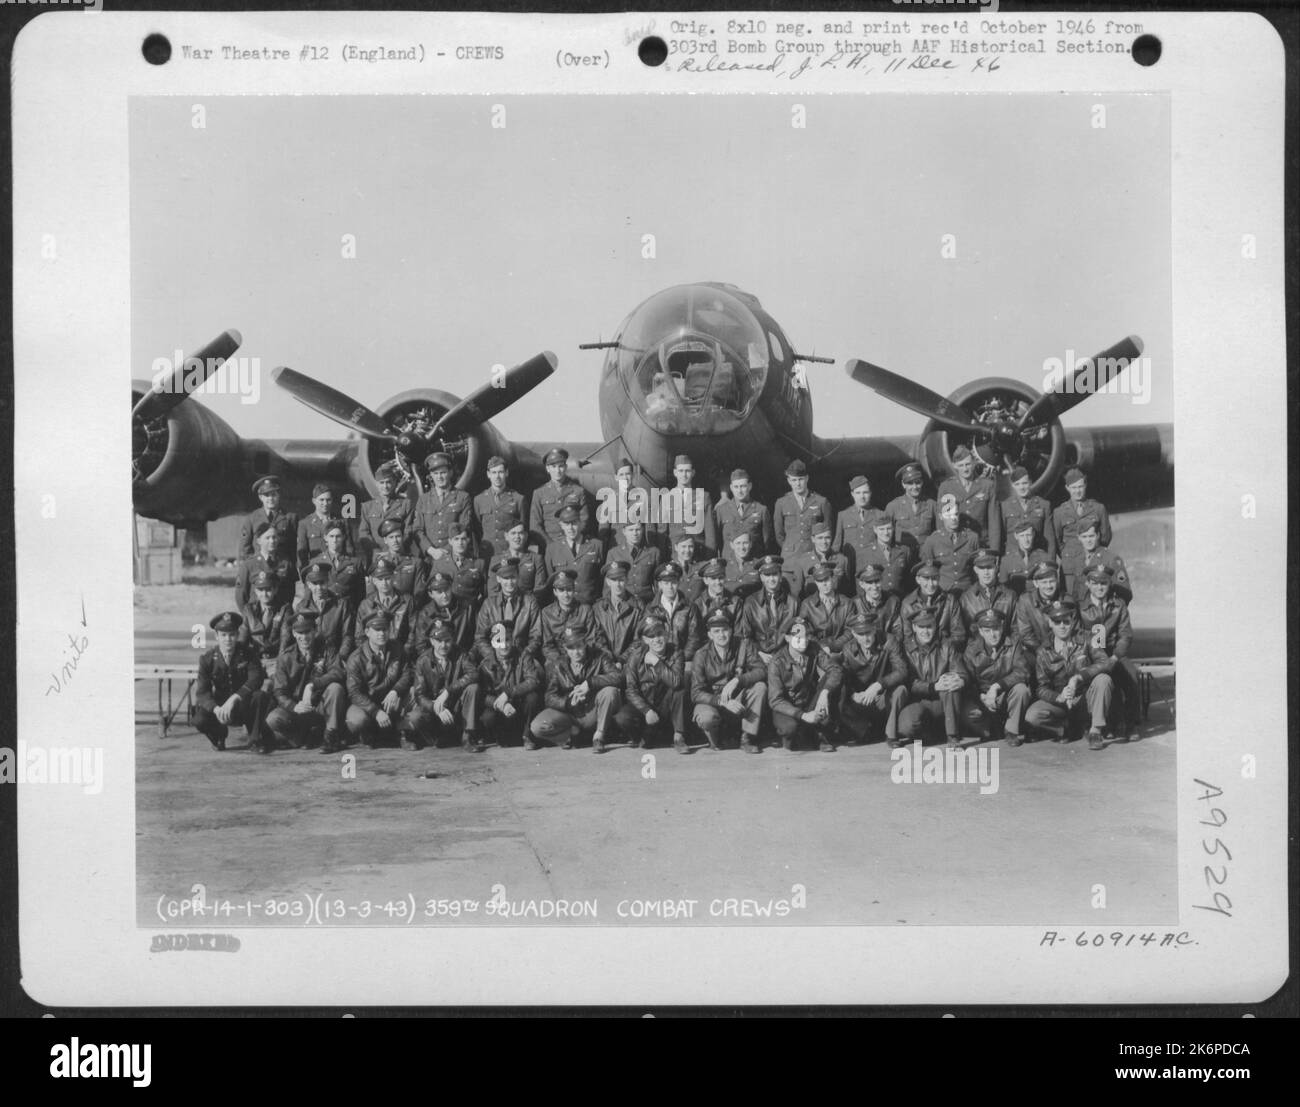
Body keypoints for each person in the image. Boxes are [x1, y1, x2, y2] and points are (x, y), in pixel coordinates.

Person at [1024, 599, 1115, 749]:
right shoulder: (1043, 651)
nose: (1062, 626)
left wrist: (1078, 677)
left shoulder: (1088, 638)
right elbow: (1041, 687)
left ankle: (1095, 731)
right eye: (1057, 621)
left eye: (1066, 621)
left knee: (1103, 679)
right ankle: (1066, 729)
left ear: (1072, 621)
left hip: (1085, 699)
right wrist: (1057, 697)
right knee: (1032, 716)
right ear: (1050, 623)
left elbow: (1104, 662)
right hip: (1061, 703)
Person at [264, 612, 348, 753]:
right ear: (294, 634)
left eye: (308, 631)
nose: (304, 637)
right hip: (297, 709)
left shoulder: (327, 650)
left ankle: (330, 736)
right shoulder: (285, 657)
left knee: (335, 688)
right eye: (299, 633)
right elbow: (279, 691)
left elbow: (338, 672)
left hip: (321, 707)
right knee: (273, 719)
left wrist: (313, 685)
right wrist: (294, 706)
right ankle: (305, 736)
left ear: (315, 631)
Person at [531, 626, 622, 752]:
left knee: (610, 691)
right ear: (565, 648)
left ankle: (599, 736)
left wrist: (590, 683)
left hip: (593, 711)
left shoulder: (600, 657)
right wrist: (568, 703)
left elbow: (618, 676)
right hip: (570, 714)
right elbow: (549, 697)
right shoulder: (558, 664)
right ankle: (572, 735)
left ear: (585, 643)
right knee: (537, 727)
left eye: (579, 646)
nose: (576, 652)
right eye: (571, 648)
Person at [690, 610, 767, 753]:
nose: (721, 635)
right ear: (709, 635)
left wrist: (738, 680)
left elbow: (761, 670)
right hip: (713, 702)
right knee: (706, 718)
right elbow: (696, 693)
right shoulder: (701, 655)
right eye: (716, 631)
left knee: (760, 687)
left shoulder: (743, 646)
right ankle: (714, 739)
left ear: (731, 630)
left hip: (737, 700)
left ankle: (747, 737)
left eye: (725, 630)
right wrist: (722, 701)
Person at [1079, 565, 1141, 737]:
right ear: (1088, 584)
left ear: (1109, 584)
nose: (1100, 587)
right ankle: (1094, 722)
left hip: (1114, 653)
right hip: (1090, 656)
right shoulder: (1080, 607)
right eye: (1095, 583)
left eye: (1104, 583)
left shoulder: (1119, 606)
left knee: (1131, 675)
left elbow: (1125, 635)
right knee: (1096, 680)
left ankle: (1131, 723)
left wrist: (1115, 656)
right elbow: (1076, 634)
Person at [404, 618, 482, 751]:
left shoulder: (460, 654)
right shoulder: (423, 661)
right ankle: (422, 737)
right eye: (439, 641)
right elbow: (419, 695)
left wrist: (449, 690)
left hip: (455, 707)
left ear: (453, 640)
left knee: (473, 688)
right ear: (432, 641)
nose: (443, 645)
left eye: (447, 641)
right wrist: (435, 707)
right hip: (433, 710)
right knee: (414, 718)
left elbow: (474, 674)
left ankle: (467, 737)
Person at [193, 611, 266, 752]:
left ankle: (254, 739)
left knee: (260, 696)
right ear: (216, 636)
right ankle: (218, 737)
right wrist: (216, 709)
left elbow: (256, 678)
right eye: (223, 635)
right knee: (199, 720)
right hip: (220, 707)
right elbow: (202, 692)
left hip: (241, 705)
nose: (228, 639)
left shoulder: (248, 653)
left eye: (232, 635)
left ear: (238, 635)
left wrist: (235, 698)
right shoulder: (207, 659)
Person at [767, 617, 842, 752]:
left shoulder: (814, 648)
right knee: (790, 730)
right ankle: (799, 734)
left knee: (832, 682)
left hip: (808, 701)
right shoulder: (776, 662)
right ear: (788, 638)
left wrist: (825, 693)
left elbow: (835, 669)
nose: (805, 640)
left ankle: (820, 734)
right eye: (799, 636)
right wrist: (803, 715)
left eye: (807, 635)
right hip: (788, 707)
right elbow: (775, 700)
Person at [896, 609, 967, 748]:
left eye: (929, 626)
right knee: (907, 726)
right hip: (917, 700)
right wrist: (933, 686)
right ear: (914, 628)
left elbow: (961, 671)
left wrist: (960, 680)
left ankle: (952, 736)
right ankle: (931, 733)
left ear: (935, 626)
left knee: (950, 683)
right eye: (921, 627)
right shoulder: (905, 648)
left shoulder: (947, 645)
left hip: (943, 700)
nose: (926, 631)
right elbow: (907, 681)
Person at [961, 609, 1032, 746]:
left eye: (996, 629)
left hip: (1004, 695)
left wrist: (996, 687)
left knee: (1021, 690)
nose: (993, 635)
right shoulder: (971, 650)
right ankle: (988, 730)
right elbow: (968, 681)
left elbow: (1022, 672)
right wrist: (982, 696)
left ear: (1001, 627)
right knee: (967, 711)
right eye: (987, 631)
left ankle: (1011, 731)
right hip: (982, 699)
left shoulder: (1013, 644)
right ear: (980, 632)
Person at [618, 618, 689, 754]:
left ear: (666, 634)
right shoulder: (636, 656)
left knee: (679, 689)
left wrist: (656, 662)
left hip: (666, 706)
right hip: (646, 704)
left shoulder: (676, 653)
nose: (656, 639)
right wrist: (646, 710)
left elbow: (676, 682)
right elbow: (631, 690)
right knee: (623, 717)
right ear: (644, 639)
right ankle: (642, 736)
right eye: (651, 636)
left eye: (659, 634)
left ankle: (678, 737)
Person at [837, 611, 908, 747]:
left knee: (901, 690)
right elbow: (845, 678)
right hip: (861, 700)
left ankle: (891, 735)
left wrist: (878, 685)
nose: (866, 639)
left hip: (883, 697)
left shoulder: (889, 641)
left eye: (868, 633)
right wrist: (853, 694)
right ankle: (862, 732)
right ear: (853, 634)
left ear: (875, 629)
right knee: (839, 693)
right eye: (861, 634)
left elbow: (902, 670)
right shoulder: (848, 649)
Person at [345, 612, 414, 748]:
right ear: (367, 632)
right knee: (356, 720)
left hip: (392, 700)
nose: (382, 633)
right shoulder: (356, 658)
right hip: (368, 703)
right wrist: (375, 711)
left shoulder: (398, 649)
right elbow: (354, 693)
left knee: (412, 692)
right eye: (377, 630)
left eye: (385, 629)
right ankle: (368, 734)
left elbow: (407, 674)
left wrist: (395, 690)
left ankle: (403, 734)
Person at [475, 621, 545, 748]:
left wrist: (509, 693)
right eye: (499, 641)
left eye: (507, 640)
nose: (503, 645)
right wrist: (501, 705)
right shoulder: (485, 665)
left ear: (513, 640)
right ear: (492, 643)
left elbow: (533, 680)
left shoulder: (524, 656)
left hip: (519, 704)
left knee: (532, 698)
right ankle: (497, 737)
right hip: (500, 707)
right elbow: (483, 694)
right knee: (487, 717)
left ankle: (527, 736)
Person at [473, 558, 543, 661]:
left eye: (513, 577)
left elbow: (536, 636)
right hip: (495, 657)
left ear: (518, 577)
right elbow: (480, 637)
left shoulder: (530, 602)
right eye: (505, 578)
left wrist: (525, 656)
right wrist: (493, 656)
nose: (509, 582)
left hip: (522, 657)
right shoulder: (488, 604)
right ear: (498, 579)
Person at [414, 452, 475, 564]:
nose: (439, 477)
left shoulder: (462, 497)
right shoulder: (423, 499)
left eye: (443, 472)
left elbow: (464, 528)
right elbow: (418, 530)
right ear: (431, 475)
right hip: (429, 558)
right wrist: (431, 550)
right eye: (436, 473)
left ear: (450, 473)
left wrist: (446, 551)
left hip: (454, 557)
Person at [289, 563, 357, 662]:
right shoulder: (302, 607)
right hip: (310, 658)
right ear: (308, 585)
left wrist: (340, 657)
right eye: (314, 583)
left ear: (328, 582)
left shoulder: (341, 604)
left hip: (336, 656)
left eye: (322, 583)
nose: (319, 587)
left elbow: (348, 635)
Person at [937, 446, 1001, 551]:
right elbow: (941, 522)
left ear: (974, 463)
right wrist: (943, 548)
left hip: (981, 545)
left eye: (968, 464)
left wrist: (994, 551)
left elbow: (994, 522)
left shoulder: (987, 486)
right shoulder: (946, 487)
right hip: (957, 547)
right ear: (954, 466)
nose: (965, 469)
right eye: (961, 465)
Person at [655, 453, 719, 554]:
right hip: (675, 554)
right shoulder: (666, 498)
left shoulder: (704, 496)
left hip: (698, 552)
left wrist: (710, 555)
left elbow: (710, 531)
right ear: (675, 472)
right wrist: (663, 556)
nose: (684, 475)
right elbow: (662, 531)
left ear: (693, 472)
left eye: (687, 471)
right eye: (681, 471)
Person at [739, 555, 800, 661]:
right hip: (759, 657)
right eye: (767, 575)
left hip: (786, 657)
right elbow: (746, 636)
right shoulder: (751, 602)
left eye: (775, 574)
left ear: (780, 576)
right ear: (761, 577)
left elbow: (798, 631)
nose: (771, 579)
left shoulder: (793, 602)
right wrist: (759, 653)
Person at [531, 447, 592, 548]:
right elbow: (535, 525)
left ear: (566, 467)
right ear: (547, 469)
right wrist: (550, 546)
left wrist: (572, 541)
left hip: (573, 545)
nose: (557, 471)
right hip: (549, 547)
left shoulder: (578, 491)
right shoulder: (539, 493)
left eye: (561, 466)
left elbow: (584, 521)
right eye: (553, 466)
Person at [544, 504, 605, 605]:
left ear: (580, 523)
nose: (570, 528)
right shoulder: (552, 549)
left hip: (590, 606)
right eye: (566, 524)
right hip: (564, 608)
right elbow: (550, 583)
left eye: (574, 523)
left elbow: (602, 580)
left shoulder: (596, 545)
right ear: (561, 525)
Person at [920, 493, 980, 595]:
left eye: (956, 514)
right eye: (948, 515)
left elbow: (977, 568)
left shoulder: (972, 538)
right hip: (944, 593)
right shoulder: (932, 540)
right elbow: (927, 571)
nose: (953, 518)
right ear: (940, 516)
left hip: (968, 592)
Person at [1064, 515, 1133, 604]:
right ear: (1079, 538)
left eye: (1091, 536)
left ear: (1098, 535)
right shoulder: (1078, 559)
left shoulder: (1111, 559)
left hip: (1105, 613)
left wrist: (1112, 612)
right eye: (1084, 537)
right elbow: (1076, 593)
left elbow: (1125, 593)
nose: (1088, 540)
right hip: (1084, 613)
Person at [538, 569, 600, 667]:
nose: (566, 595)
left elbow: (591, 640)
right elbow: (547, 646)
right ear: (555, 592)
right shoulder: (546, 614)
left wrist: (579, 659)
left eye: (569, 590)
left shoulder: (585, 610)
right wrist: (563, 663)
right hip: (558, 661)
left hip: (582, 657)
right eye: (561, 590)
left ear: (574, 590)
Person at [357, 462, 414, 569]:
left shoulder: (405, 504)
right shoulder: (367, 507)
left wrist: (393, 551)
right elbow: (363, 533)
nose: (385, 486)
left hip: (399, 557)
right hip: (376, 558)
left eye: (388, 482)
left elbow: (408, 530)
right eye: (381, 483)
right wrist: (375, 551)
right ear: (377, 484)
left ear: (395, 483)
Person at [773, 459, 833, 559]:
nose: (798, 484)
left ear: (807, 478)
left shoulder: (821, 502)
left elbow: (828, 530)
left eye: (800, 479)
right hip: (790, 557)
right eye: (794, 480)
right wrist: (789, 547)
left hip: (813, 556)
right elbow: (779, 534)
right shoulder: (781, 503)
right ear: (789, 481)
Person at [1052, 467, 1112, 566]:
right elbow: (1057, 540)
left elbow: (1106, 537)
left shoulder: (1098, 508)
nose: (1078, 491)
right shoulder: (1059, 512)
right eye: (1074, 488)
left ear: (1085, 485)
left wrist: (1095, 552)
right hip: (1070, 564)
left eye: (1080, 486)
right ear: (1067, 488)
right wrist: (1068, 554)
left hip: (1094, 562)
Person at [897, 560, 963, 649]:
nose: (931, 584)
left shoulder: (950, 601)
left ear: (939, 578)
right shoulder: (908, 603)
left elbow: (958, 634)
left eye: (934, 578)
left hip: (945, 652)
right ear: (918, 580)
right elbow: (907, 638)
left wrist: (941, 651)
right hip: (918, 656)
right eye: (926, 579)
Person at [473, 455, 528, 561]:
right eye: (493, 472)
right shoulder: (479, 500)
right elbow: (477, 530)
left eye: (500, 472)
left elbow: (524, 529)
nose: (497, 476)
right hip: (488, 554)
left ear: (506, 473)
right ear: (488, 474)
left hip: (510, 554)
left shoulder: (518, 499)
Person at [644, 562, 702, 663]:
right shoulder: (651, 609)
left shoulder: (690, 608)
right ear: (660, 585)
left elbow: (694, 639)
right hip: (658, 661)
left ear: (679, 583)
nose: (670, 587)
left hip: (684, 661)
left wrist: (679, 659)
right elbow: (645, 638)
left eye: (673, 582)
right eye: (666, 583)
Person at [354, 557, 413, 655]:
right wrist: (371, 655)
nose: (384, 583)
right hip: (375, 655)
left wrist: (403, 653)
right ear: (374, 581)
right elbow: (360, 637)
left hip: (402, 654)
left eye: (387, 578)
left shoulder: (407, 601)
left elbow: (413, 632)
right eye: (380, 579)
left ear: (393, 577)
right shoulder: (366, 605)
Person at [409, 571, 475, 658]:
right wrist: (435, 663)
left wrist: (468, 658)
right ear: (431, 594)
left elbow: (476, 638)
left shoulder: (466, 608)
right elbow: (421, 646)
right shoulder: (425, 614)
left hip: (462, 660)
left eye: (446, 590)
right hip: (436, 662)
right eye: (439, 592)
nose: (444, 595)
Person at [236, 521, 297, 613]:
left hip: (280, 614)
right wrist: (249, 618)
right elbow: (241, 596)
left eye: (274, 537)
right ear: (259, 541)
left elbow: (290, 592)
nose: (272, 541)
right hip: (256, 614)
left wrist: (285, 613)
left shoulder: (286, 562)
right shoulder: (248, 565)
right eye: (267, 538)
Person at [591, 561, 644, 664]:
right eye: (614, 580)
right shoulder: (598, 608)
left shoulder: (637, 607)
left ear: (627, 580)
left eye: (621, 580)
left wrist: (622, 660)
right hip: (604, 663)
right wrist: (609, 660)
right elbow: (597, 638)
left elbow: (639, 639)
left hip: (630, 663)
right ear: (607, 581)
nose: (618, 584)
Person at [998, 466, 1056, 559]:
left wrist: (1051, 562)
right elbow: (1001, 537)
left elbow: (1049, 539)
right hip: (1013, 559)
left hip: (1037, 558)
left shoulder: (1043, 505)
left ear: (1030, 482)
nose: (1021, 487)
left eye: (1024, 483)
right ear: (1013, 485)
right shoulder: (1005, 506)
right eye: (1017, 484)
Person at [1013, 560, 1067, 658]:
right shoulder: (1026, 601)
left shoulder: (1066, 600)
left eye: (1052, 581)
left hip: (1064, 651)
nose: (1049, 586)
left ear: (1057, 581)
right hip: (1037, 652)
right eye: (1044, 582)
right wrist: (1044, 653)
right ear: (1036, 583)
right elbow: (1025, 634)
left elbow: (1073, 630)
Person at [832, 475, 884, 577]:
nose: (862, 496)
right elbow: (837, 545)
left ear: (871, 493)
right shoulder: (843, 515)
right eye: (858, 493)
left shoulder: (880, 514)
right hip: (850, 567)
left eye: (865, 492)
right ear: (852, 494)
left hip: (872, 566)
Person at [958, 550, 1018, 638]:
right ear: (976, 570)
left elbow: (1016, 630)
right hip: (977, 649)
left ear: (996, 568)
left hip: (1005, 648)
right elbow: (964, 634)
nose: (986, 572)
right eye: (982, 568)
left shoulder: (1010, 596)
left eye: (990, 567)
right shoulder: (966, 598)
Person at [487, 512, 548, 599]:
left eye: (520, 533)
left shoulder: (536, 559)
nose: (517, 537)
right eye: (513, 533)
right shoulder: (497, 560)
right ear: (506, 536)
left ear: (526, 536)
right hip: (504, 607)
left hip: (529, 606)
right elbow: (493, 591)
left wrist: (528, 605)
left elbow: (539, 589)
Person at [798, 562, 854, 656]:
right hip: (817, 652)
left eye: (827, 579)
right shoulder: (807, 604)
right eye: (820, 581)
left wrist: (834, 646)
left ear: (832, 578)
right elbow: (804, 631)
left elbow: (850, 630)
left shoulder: (847, 603)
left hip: (842, 652)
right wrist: (821, 647)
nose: (824, 584)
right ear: (815, 582)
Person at [238, 476, 298, 563]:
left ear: (279, 495)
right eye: (266, 495)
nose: (270, 498)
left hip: (283, 569)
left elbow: (294, 548)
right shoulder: (251, 519)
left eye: (274, 494)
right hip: (259, 569)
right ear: (260, 497)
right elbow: (245, 549)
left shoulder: (290, 518)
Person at [715, 467, 774, 554]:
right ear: (731, 487)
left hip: (753, 563)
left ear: (750, 486)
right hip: (729, 564)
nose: (739, 491)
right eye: (736, 487)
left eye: (743, 486)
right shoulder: (721, 510)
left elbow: (766, 542)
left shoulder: (761, 510)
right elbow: (718, 541)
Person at [297, 483, 354, 574]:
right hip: (317, 571)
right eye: (321, 500)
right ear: (314, 501)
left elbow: (349, 550)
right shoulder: (305, 524)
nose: (325, 503)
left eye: (328, 500)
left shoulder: (342, 522)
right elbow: (302, 555)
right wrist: (306, 575)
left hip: (339, 570)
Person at [787, 520, 850, 599]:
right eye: (820, 538)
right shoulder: (802, 562)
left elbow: (848, 590)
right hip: (812, 608)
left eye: (827, 538)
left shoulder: (842, 560)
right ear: (813, 539)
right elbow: (797, 592)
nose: (824, 542)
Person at [309, 519, 365, 606]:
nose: (334, 540)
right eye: (331, 536)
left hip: (348, 612)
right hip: (326, 611)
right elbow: (309, 594)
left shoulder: (355, 562)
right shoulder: (316, 562)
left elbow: (361, 594)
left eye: (338, 536)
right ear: (325, 538)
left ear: (344, 537)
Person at [429, 522, 487, 605]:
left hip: (470, 612)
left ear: (468, 540)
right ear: (450, 541)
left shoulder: (479, 564)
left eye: (463, 539)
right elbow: (433, 592)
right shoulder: (439, 564)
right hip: (447, 611)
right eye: (456, 539)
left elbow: (485, 593)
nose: (460, 543)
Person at [370, 518, 425, 608]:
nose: (395, 541)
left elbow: (419, 594)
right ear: (385, 540)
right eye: (391, 537)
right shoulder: (379, 562)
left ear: (403, 537)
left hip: (407, 610)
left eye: (398, 536)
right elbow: (372, 592)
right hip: (383, 611)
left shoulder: (415, 562)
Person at [884, 462, 937, 553]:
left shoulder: (931, 504)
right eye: (910, 483)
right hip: (903, 556)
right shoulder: (893, 506)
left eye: (917, 482)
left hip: (926, 555)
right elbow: (884, 535)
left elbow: (940, 531)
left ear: (922, 482)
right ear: (903, 485)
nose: (914, 487)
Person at [605, 519, 660, 603]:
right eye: (631, 530)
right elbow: (608, 585)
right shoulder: (614, 553)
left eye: (638, 529)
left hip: (647, 603)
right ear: (624, 531)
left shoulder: (653, 552)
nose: (635, 533)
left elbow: (658, 584)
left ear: (643, 530)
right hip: (624, 603)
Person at [861, 515, 913, 597]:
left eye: (889, 528)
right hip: (878, 602)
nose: (886, 533)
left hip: (900, 600)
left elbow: (909, 580)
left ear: (893, 529)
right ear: (875, 530)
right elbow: (860, 583)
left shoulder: (904, 551)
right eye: (881, 529)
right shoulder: (865, 552)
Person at [999, 518, 1053, 595]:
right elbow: (1003, 588)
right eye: (1022, 536)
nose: (1026, 539)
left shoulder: (1044, 557)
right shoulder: (1007, 560)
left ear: (1033, 534)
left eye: (1028, 535)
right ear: (1016, 536)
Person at [851, 563, 902, 640]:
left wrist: (888, 648)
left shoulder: (893, 601)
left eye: (877, 581)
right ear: (861, 584)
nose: (874, 587)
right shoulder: (854, 604)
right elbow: (852, 633)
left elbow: (897, 632)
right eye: (869, 583)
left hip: (888, 647)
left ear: (882, 580)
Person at [666, 532, 708, 605]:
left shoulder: (701, 567)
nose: (687, 550)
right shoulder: (668, 569)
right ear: (676, 547)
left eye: (690, 546)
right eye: (683, 546)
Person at [723, 530, 762, 599]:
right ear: (732, 545)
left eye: (745, 543)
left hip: (752, 606)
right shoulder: (724, 566)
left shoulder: (758, 565)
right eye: (738, 543)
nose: (742, 547)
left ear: (751, 544)